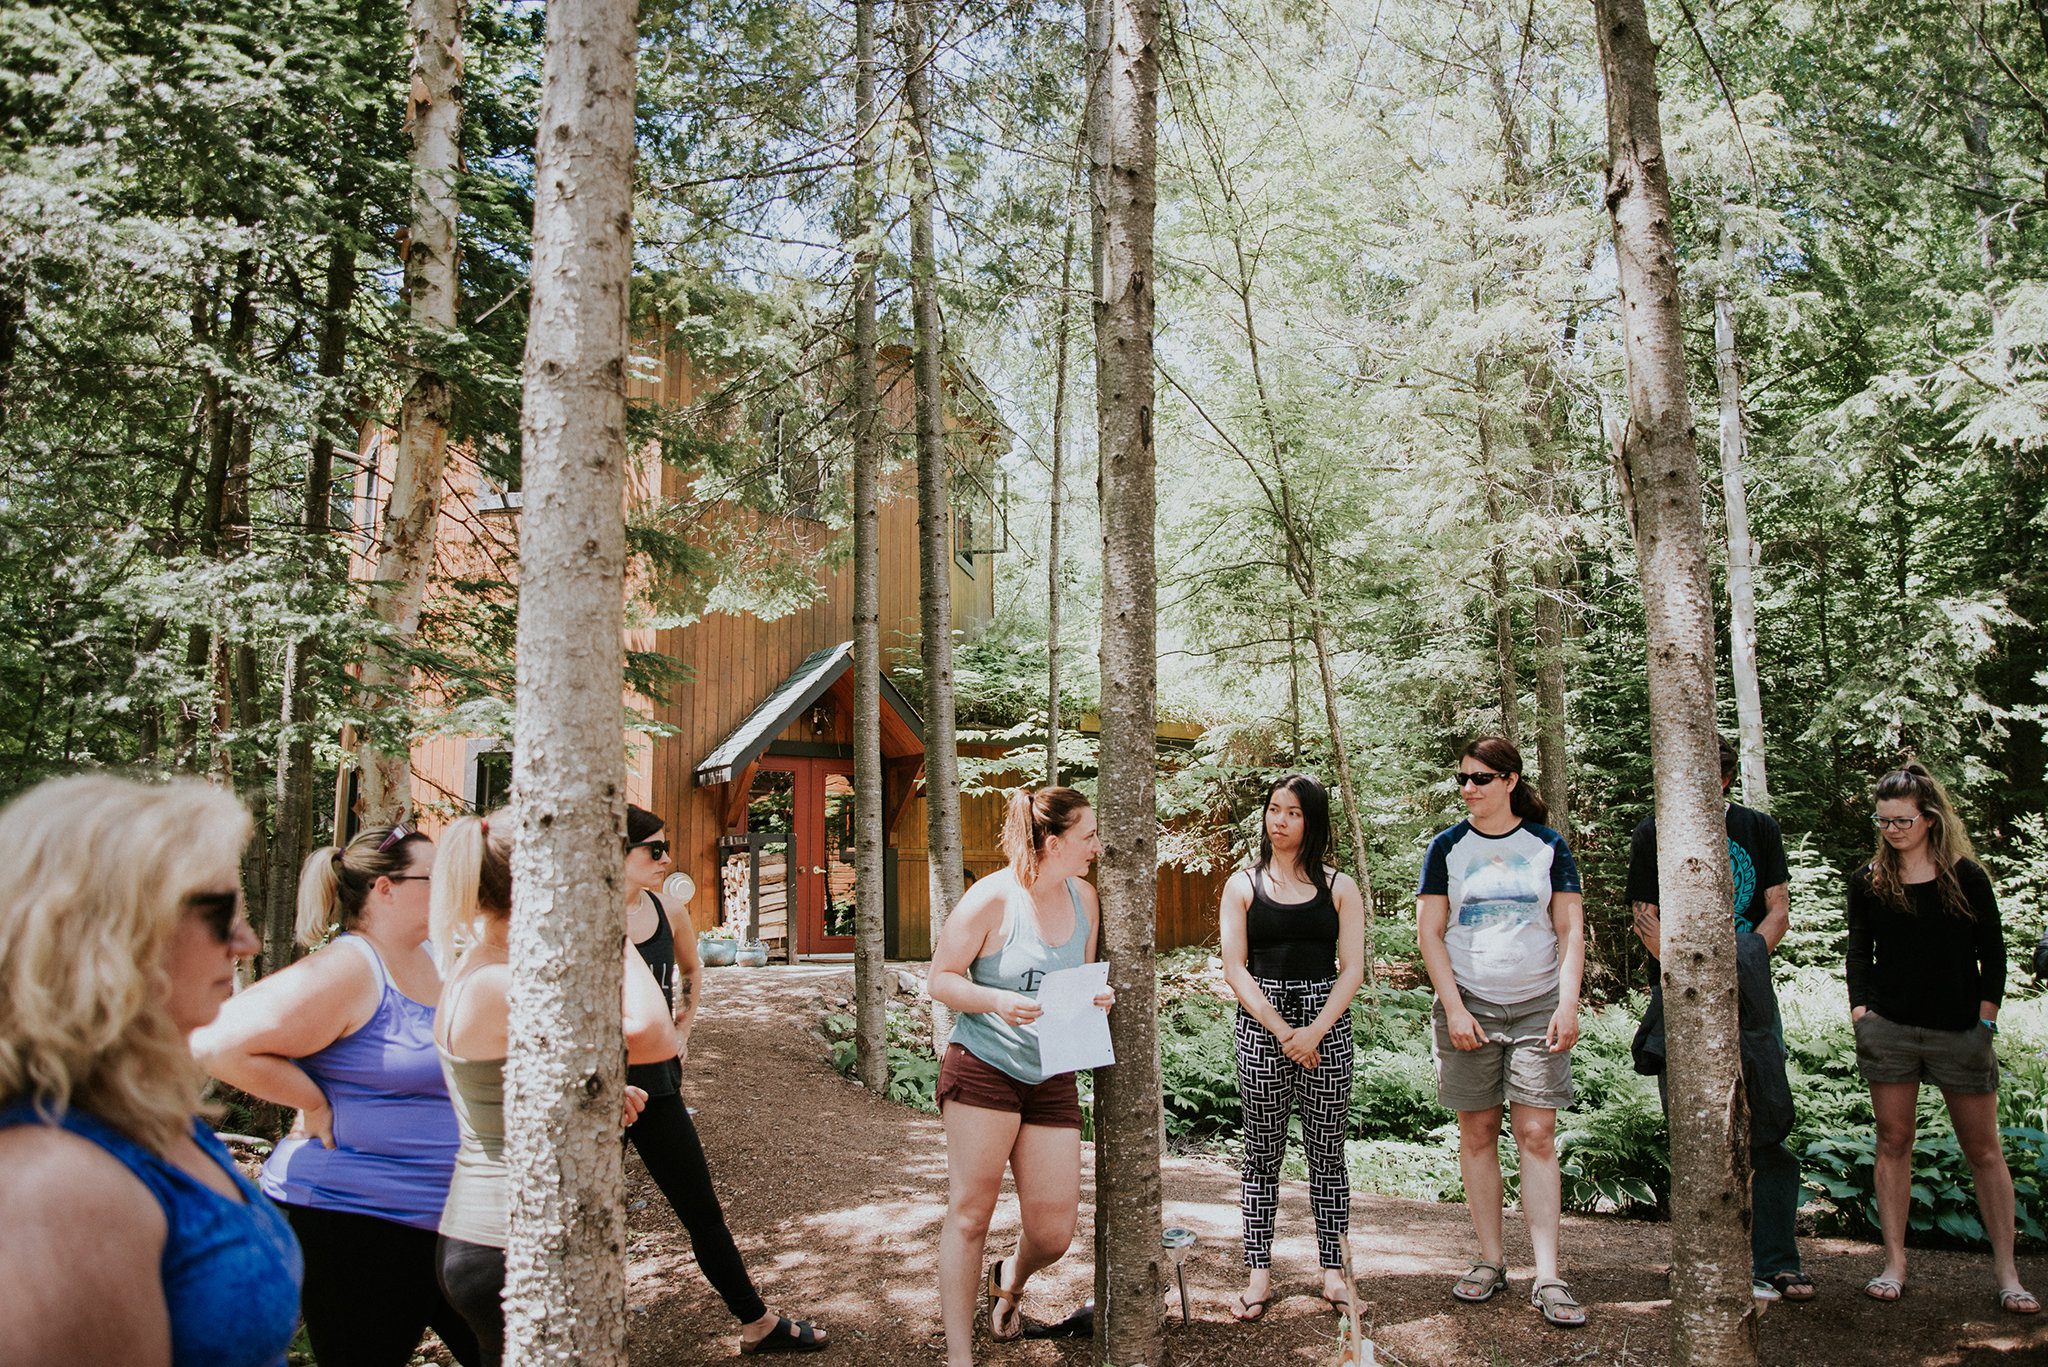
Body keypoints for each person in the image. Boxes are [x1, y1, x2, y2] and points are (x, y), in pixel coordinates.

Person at [0, 775, 303, 1366]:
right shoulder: (55, 1182)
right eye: (221, 914)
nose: (245, 942)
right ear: (110, 932)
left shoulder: (154, 1116)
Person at [193, 824, 482, 1367]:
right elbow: (218, 1039)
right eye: (434, 876)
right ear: (384, 889)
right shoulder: (350, 967)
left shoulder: (437, 958)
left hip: (448, 1219)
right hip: (354, 1221)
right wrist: (312, 1099)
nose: (450, 887)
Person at [619, 804, 828, 1354]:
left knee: (700, 1208)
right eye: (654, 850)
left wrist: (684, 1025)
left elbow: (692, 969)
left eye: (666, 847)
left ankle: (755, 1321)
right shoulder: (580, 919)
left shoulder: (667, 910)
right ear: (616, 853)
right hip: (597, 1091)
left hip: (658, 1081)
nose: (667, 858)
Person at [930, 786, 1115, 1367]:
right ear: (1054, 843)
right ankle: (959, 1356)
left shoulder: (1086, 898)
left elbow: (1080, 979)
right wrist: (996, 1001)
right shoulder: (992, 900)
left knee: (1054, 1230)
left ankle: (1009, 1277)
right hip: (985, 1067)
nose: (1097, 846)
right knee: (970, 1213)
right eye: (1088, 836)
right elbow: (942, 978)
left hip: (1051, 1073)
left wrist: (1097, 997)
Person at [1626, 736, 1810, 1303]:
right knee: (1693, 1130)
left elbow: (1776, 907)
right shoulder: (1652, 833)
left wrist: (1740, 965)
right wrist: (1694, 973)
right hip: (1677, 996)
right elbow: (1645, 919)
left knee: (1768, 1123)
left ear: (1726, 778)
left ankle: (1777, 1259)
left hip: (1751, 996)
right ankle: (1704, 1260)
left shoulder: (1758, 828)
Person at [1847, 764, 2037, 1315]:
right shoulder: (1868, 880)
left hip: (1960, 1031)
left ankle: (2007, 1271)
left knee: (1983, 1149)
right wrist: (1863, 1014)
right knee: (1893, 1141)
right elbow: (1859, 951)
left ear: (1930, 817)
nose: (1892, 829)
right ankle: (1894, 1262)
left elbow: (1994, 955)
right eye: (1883, 821)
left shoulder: (1965, 875)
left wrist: (1986, 1020)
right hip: (1890, 1029)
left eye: (1902, 820)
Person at [1416, 736, 1587, 1328]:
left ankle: (1548, 1275)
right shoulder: (1447, 848)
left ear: (1510, 781)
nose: (1468, 788)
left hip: (1539, 1004)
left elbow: (1569, 929)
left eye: (1481, 778)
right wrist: (1455, 1008)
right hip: (1470, 1007)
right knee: (1479, 1131)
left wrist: (1568, 1004)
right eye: (1462, 777)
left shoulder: (1546, 845)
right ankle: (1490, 1259)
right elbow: (1431, 933)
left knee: (1536, 1132)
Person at [1217, 773, 1368, 1321]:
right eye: (1273, 810)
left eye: (1292, 813)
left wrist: (1315, 1031)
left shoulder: (1339, 887)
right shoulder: (1243, 885)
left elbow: (1351, 969)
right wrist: (1284, 1032)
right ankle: (1258, 1272)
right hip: (1262, 1024)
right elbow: (1235, 969)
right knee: (1262, 1154)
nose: (1278, 821)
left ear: (1313, 821)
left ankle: (1334, 1271)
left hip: (1327, 1022)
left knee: (1328, 1152)